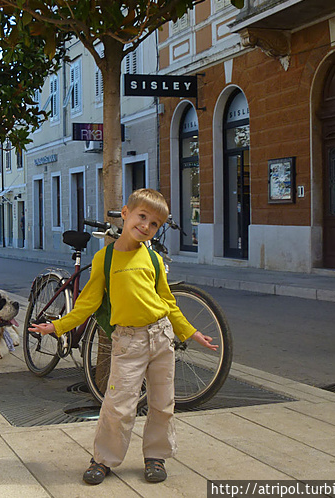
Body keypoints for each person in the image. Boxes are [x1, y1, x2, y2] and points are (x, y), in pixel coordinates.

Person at [28, 188, 217, 485]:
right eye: (142, 217)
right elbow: (87, 304)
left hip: (161, 337)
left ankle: (156, 456)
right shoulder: (105, 259)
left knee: (162, 403)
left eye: (154, 224)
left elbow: (168, 303)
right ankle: (103, 459)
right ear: (126, 214)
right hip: (128, 342)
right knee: (118, 404)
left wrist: (191, 332)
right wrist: (58, 326)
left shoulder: (153, 260)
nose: (146, 226)